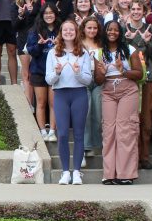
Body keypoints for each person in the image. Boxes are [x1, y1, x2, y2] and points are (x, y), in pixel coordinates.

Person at [46, 18, 93, 185]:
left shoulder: (83, 53)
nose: (68, 32)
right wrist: (57, 72)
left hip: (79, 94)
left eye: (71, 30)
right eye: (65, 30)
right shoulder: (53, 53)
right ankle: (65, 171)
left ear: (76, 32)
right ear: (61, 32)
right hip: (61, 94)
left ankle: (77, 172)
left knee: (79, 133)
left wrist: (78, 73)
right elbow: (49, 79)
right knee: (63, 134)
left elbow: (88, 79)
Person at [95, 19, 143, 184]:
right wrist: (102, 73)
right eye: (109, 29)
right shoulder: (99, 53)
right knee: (109, 131)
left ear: (120, 32)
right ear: (105, 32)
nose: (112, 32)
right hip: (108, 90)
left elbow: (139, 74)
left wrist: (124, 71)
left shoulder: (130, 50)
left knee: (125, 131)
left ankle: (125, 174)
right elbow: (98, 80)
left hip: (128, 89)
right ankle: (109, 173)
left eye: (116, 30)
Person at [123, 0, 152, 170]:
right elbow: (123, 53)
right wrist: (129, 41)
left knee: (146, 120)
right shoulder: (124, 29)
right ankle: (132, 157)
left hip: (148, 78)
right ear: (129, 11)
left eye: (139, 9)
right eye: (133, 9)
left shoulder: (151, 29)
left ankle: (144, 157)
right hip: (131, 77)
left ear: (144, 11)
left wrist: (146, 42)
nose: (136, 11)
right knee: (131, 120)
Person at [28, 4, 59, 141]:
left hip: (55, 72)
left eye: (51, 12)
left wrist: (59, 44)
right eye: (46, 13)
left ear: (56, 14)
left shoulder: (61, 29)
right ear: (42, 15)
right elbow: (31, 51)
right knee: (40, 103)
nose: (49, 15)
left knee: (54, 103)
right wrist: (40, 45)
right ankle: (42, 131)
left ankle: (52, 131)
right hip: (38, 71)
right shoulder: (35, 30)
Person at [80, 16, 102, 164]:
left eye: (95, 28)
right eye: (89, 28)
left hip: (99, 80)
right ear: (84, 28)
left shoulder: (102, 43)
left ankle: (95, 143)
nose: (92, 30)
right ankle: (86, 146)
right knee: (86, 113)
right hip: (84, 80)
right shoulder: (78, 43)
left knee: (98, 113)